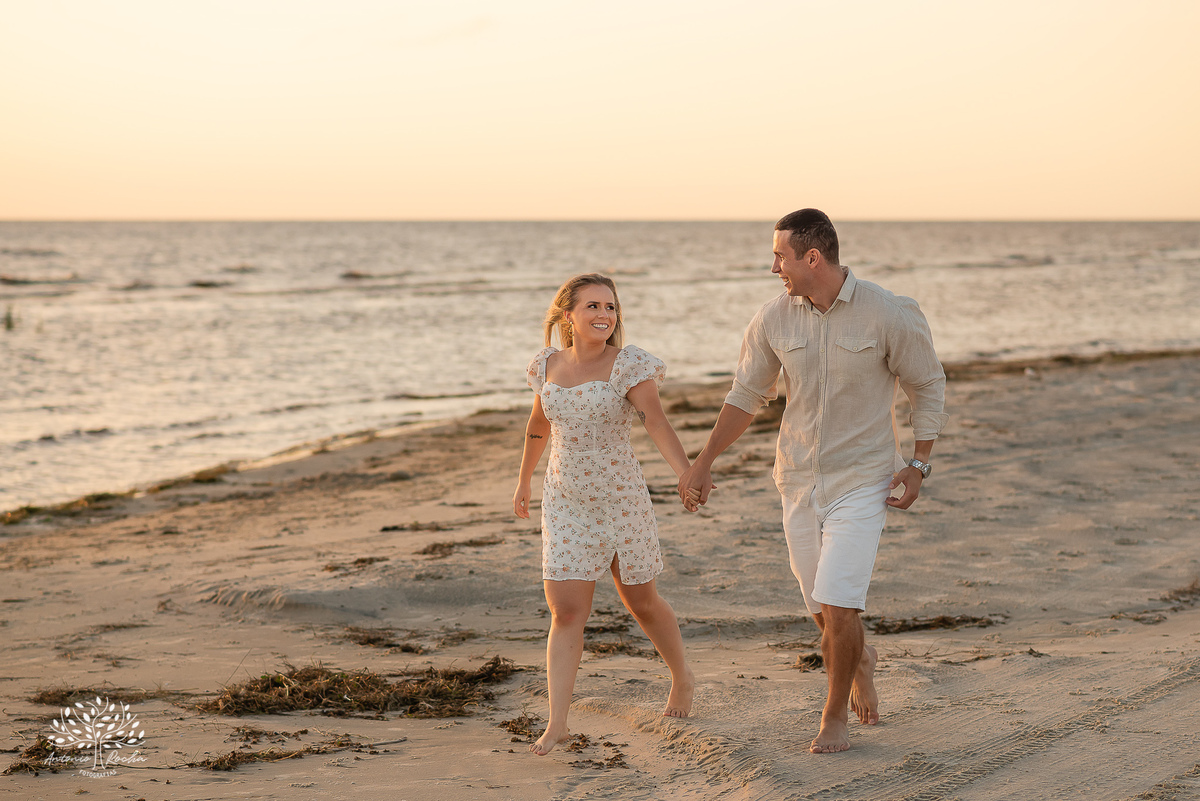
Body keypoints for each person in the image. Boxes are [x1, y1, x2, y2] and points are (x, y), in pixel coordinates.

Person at [678, 209, 948, 754]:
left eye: (780, 255)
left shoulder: (888, 313)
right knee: (821, 607)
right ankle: (861, 660)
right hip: (797, 477)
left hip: (864, 479)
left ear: (812, 257)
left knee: (841, 602)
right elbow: (745, 396)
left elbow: (927, 384)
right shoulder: (773, 318)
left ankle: (833, 719)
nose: (773, 265)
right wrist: (702, 462)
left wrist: (918, 464)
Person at [513, 273, 697, 756]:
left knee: (642, 601)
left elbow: (655, 421)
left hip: (620, 499)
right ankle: (557, 723)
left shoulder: (628, 365)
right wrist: (524, 479)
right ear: (567, 315)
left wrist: (686, 473)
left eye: (611, 307)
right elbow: (538, 425)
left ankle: (682, 677)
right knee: (567, 611)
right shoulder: (545, 364)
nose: (604, 315)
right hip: (565, 501)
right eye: (593, 305)